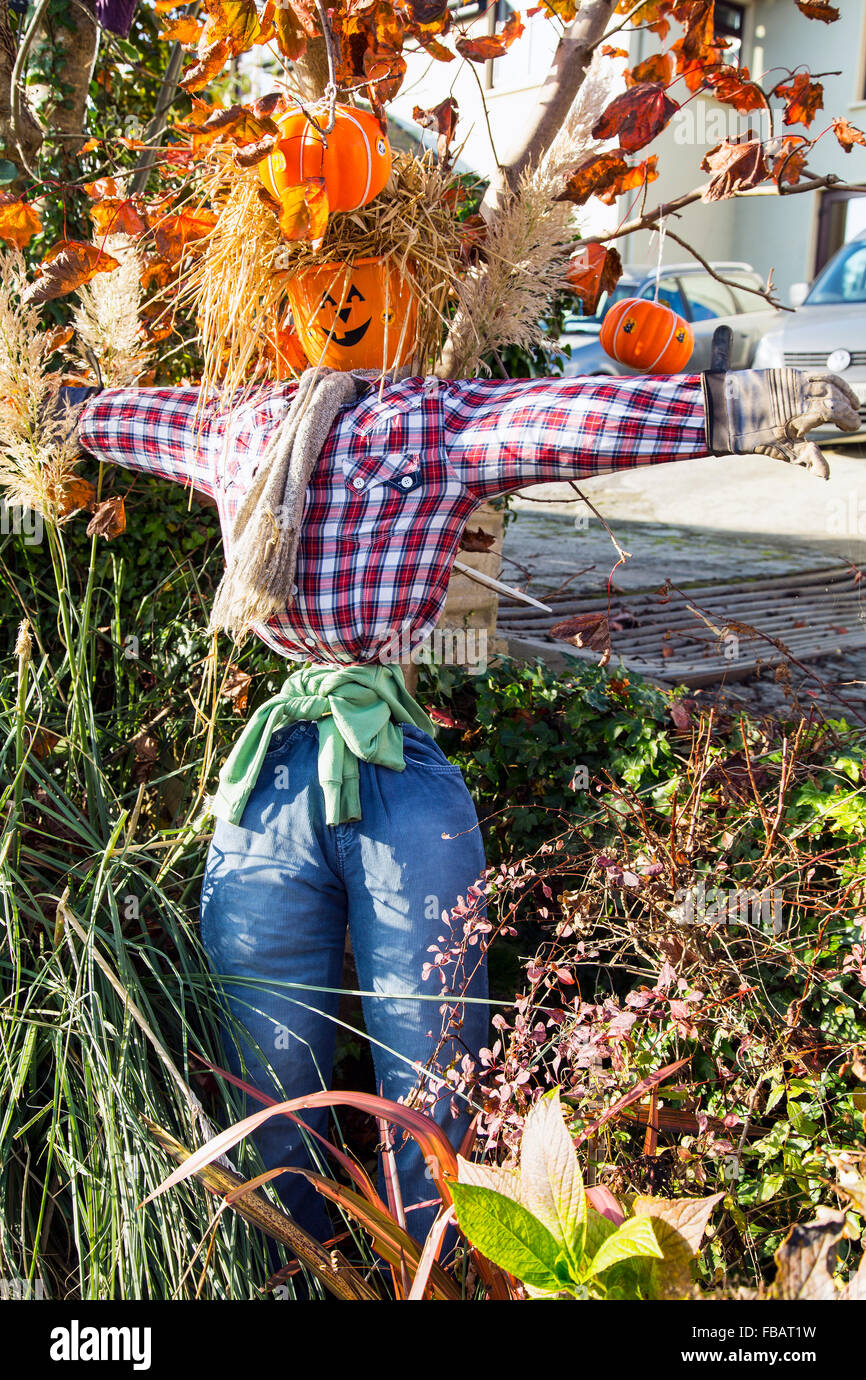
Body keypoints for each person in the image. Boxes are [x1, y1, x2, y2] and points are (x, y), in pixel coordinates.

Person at [76, 364, 858, 1245]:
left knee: (433, 1057)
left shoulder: (428, 419)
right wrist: (39, 405)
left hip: (394, 772)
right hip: (275, 778)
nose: (342, 303)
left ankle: (431, 1263)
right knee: (261, 1061)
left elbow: (567, 419)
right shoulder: (239, 426)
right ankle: (280, 1263)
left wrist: (739, 406)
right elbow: (126, 418)